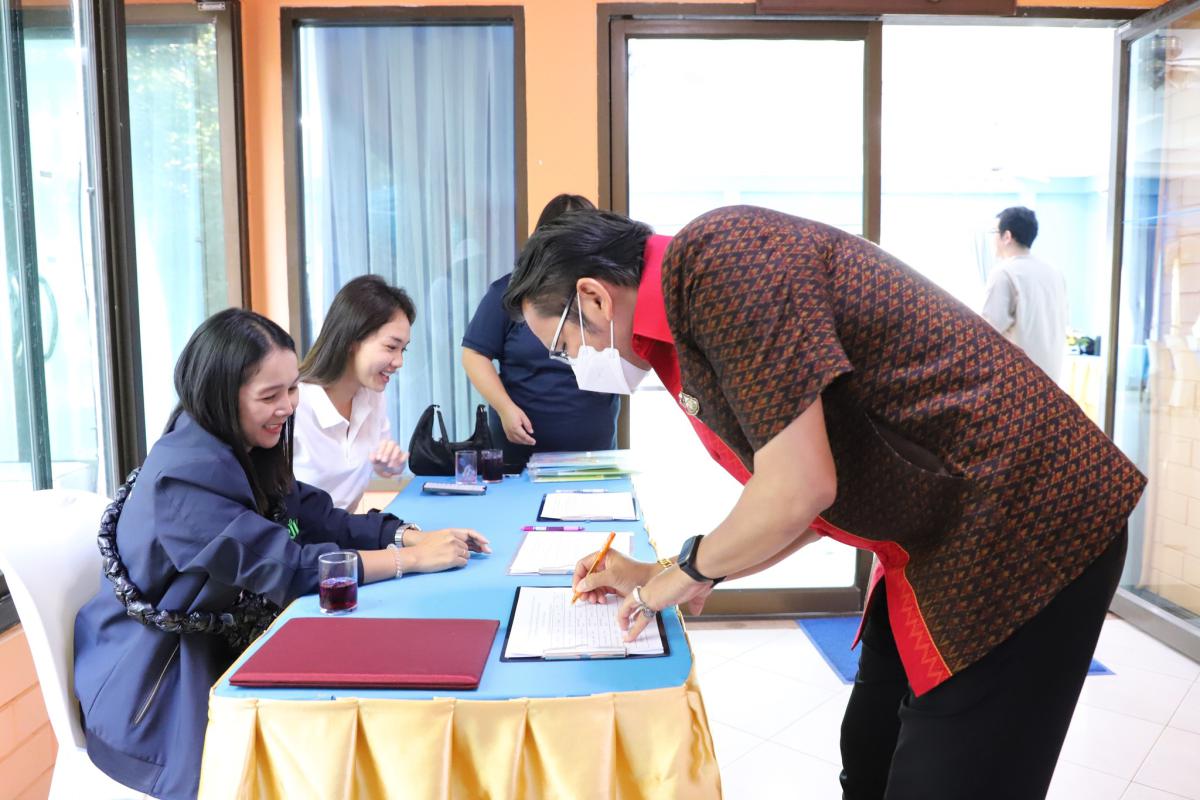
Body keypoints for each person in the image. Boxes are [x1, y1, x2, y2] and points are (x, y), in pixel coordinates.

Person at [504, 206, 1145, 800]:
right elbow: (810, 496)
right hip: (939, 528)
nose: (574, 363)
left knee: (946, 776)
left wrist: (674, 580)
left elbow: (798, 488)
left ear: (593, 296)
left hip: (1023, 523)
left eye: (564, 346)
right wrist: (675, 571)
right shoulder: (693, 308)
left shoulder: (716, 260)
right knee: (869, 752)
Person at [73, 309, 488, 800]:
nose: (288, 406)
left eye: (292, 389)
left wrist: (406, 535)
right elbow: (285, 567)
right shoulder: (184, 477)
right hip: (156, 688)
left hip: (219, 645)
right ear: (219, 395)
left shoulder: (242, 443)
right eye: (269, 396)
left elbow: (314, 515)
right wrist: (411, 561)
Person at [461, 194, 619, 470]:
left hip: (595, 455)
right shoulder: (511, 292)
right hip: (520, 454)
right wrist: (505, 408)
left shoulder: (603, 294)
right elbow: (474, 355)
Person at [293, 276, 411, 510]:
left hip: (346, 529)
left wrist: (389, 465)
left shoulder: (373, 396)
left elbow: (382, 461)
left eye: (403, 350)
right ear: (351, 340)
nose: (399, 362)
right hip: (299, 534)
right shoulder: (293, 406)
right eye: (391, 347)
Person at [980, 206, 1069, 383]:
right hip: (1051, 379)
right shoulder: (1055, 273)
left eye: (994, 232)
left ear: (1007, 236)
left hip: (1018, 380)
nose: (992, 239)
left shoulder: (1004, 273)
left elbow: (988, 330)